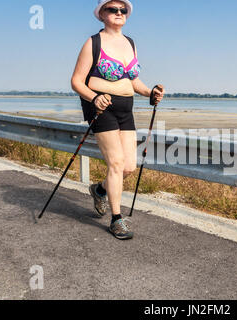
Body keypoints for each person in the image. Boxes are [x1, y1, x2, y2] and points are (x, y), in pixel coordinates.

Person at [71, 0, 165, 240]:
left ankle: (99, 189)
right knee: (115, 163)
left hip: (126, 109)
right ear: (102, 14)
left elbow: (133, 81)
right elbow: (77, 81)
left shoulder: (130, 43)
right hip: (102, 109)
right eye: (113, 9)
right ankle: (116, 219)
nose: (119, 13)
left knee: (128, 166)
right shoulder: (93, 42)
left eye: (123, 10)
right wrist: (94, 98)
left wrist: (150, 92)